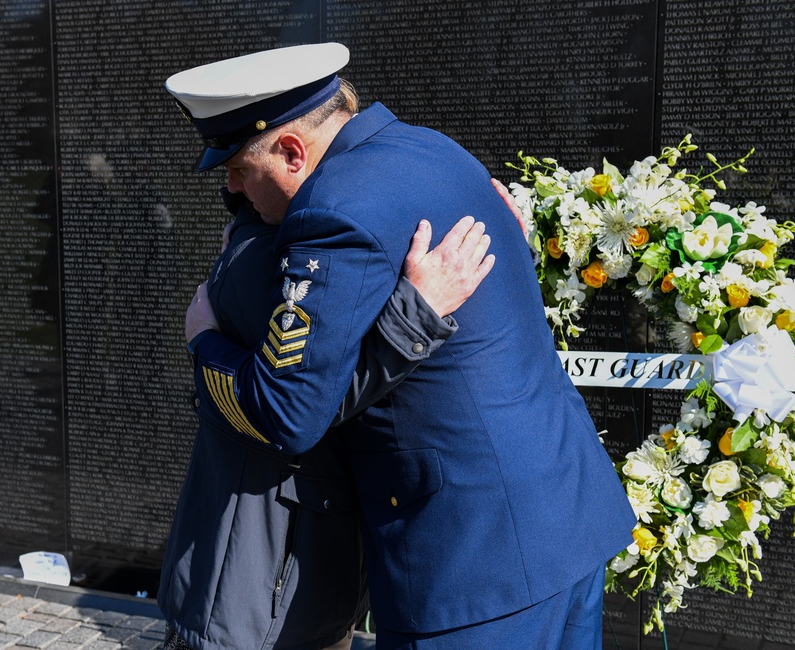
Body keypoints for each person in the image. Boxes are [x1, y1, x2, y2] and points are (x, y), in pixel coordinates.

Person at [168, 43, 636, 648]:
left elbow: (287, 413)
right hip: (564, 520)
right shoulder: (433, 149)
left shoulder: (333, 209)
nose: (233, 190)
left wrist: (204, 344)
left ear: (290, 151)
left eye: (237, 169)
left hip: (472, 564)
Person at [159, 187, 494, 650]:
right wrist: (418, 314)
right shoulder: (269, 252)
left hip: (291, 573)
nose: (236, 186)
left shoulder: (280, 241)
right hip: (252, 590)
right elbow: (294, 406)